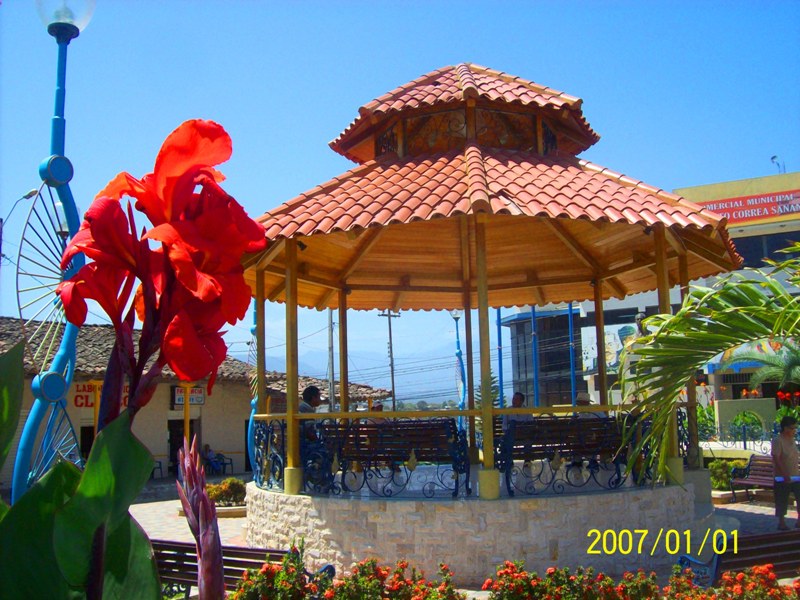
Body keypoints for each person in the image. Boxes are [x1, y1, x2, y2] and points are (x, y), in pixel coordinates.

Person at [771, 415, 800, 530]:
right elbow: (776, 458)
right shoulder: (778, 440)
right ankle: (781, 522)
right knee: (782, 499)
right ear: (785, 428)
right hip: (782, 476)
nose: (794, 430)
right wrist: (784, 474)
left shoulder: (792, 440)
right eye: (792, 428)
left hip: (795, 475)